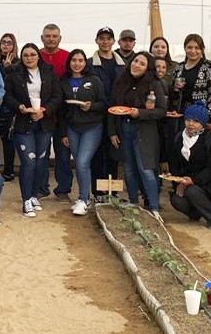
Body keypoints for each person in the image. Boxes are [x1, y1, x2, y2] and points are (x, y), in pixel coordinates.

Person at [107, 52, 167, 219]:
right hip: (123, 130)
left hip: (144, 132)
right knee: (129, 169)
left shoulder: (154, 84)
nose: (136, 65)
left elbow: (161, 111)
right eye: (135, 61)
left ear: (148, 68)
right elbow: (112, 107)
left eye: (142, 64)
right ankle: (133, 203)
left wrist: (139, 113)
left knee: (146, 170)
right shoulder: (121, 80)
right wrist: (112, 131)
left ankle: (154, 207)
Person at [4, 43, 61, 217]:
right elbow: (6, 96)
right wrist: (19, 107)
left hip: (44, 124)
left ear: (38, 56)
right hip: (23, 123)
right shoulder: (14, 74)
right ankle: (26, 199)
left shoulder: (48, 73)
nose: (29, 58)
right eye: (26, 55)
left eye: (32, 54)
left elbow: (57, 96)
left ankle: (34, 194)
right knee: (28, 161)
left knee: (40, 161)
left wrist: (45, 111)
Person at [58, 49, 106, 216]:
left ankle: (84, 199)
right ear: (69, 62)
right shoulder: (64, 81)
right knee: (79, 164)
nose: (77, 63)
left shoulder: (94, 80)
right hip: (72, 127)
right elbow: (61, 110)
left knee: (82, 162)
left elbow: (103, 104)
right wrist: (63, 133)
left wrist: (90, 106)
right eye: (74, 60)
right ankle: (84, 198)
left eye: (80, 60)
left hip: (92, 127)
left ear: (85, 63)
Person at [168, 101, 211, 229]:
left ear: (202, 124)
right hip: (187, 181)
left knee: (192, 191)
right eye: (188, 120)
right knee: (176, 199)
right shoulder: (178, 138)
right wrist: (179, 182)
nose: (191, 124)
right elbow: (174, 164)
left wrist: (193, 181)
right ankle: (195, 213)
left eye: (195, 121)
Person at [87, 27, 127, 201]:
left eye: (108, 38)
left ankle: (112, 192)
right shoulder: (89, 64)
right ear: (96, 40)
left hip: (117, 117)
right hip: (97, 115)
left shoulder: (122, 65)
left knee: (114, 155)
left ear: (113, 42)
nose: (105, 41)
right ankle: (97, 193)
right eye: (102, 38)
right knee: (97, 155)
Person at [38, 24, 71, 202]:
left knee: (63, 155)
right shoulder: (36, 55)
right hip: (41, 115)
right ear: (42, 37)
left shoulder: (67, 57)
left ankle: (63, 189)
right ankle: (41, 188)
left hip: (63, 116)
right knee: (42, 154)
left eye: (54, 36)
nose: (51, 38)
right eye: (48, 36)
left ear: (60, 38)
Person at [169, 34, 211, 132]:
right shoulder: (179, 68)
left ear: (202, 49)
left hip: (201, 116)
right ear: (184, 48)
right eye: (189, 47)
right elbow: (172, 94)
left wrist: (209, 119)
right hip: (182, 115)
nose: (193, 51)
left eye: (197, 48)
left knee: (200, 146)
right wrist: (175, 89)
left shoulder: (208, 66)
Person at [0, 33, 20, 181]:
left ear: (14, 45)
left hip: (10, 107)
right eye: (3, 42)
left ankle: (9, 171)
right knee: (1, 138)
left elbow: (12, 84)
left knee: (8, 139)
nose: (6, 45)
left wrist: (8, 68)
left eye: (9, 43)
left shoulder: (19, 63)